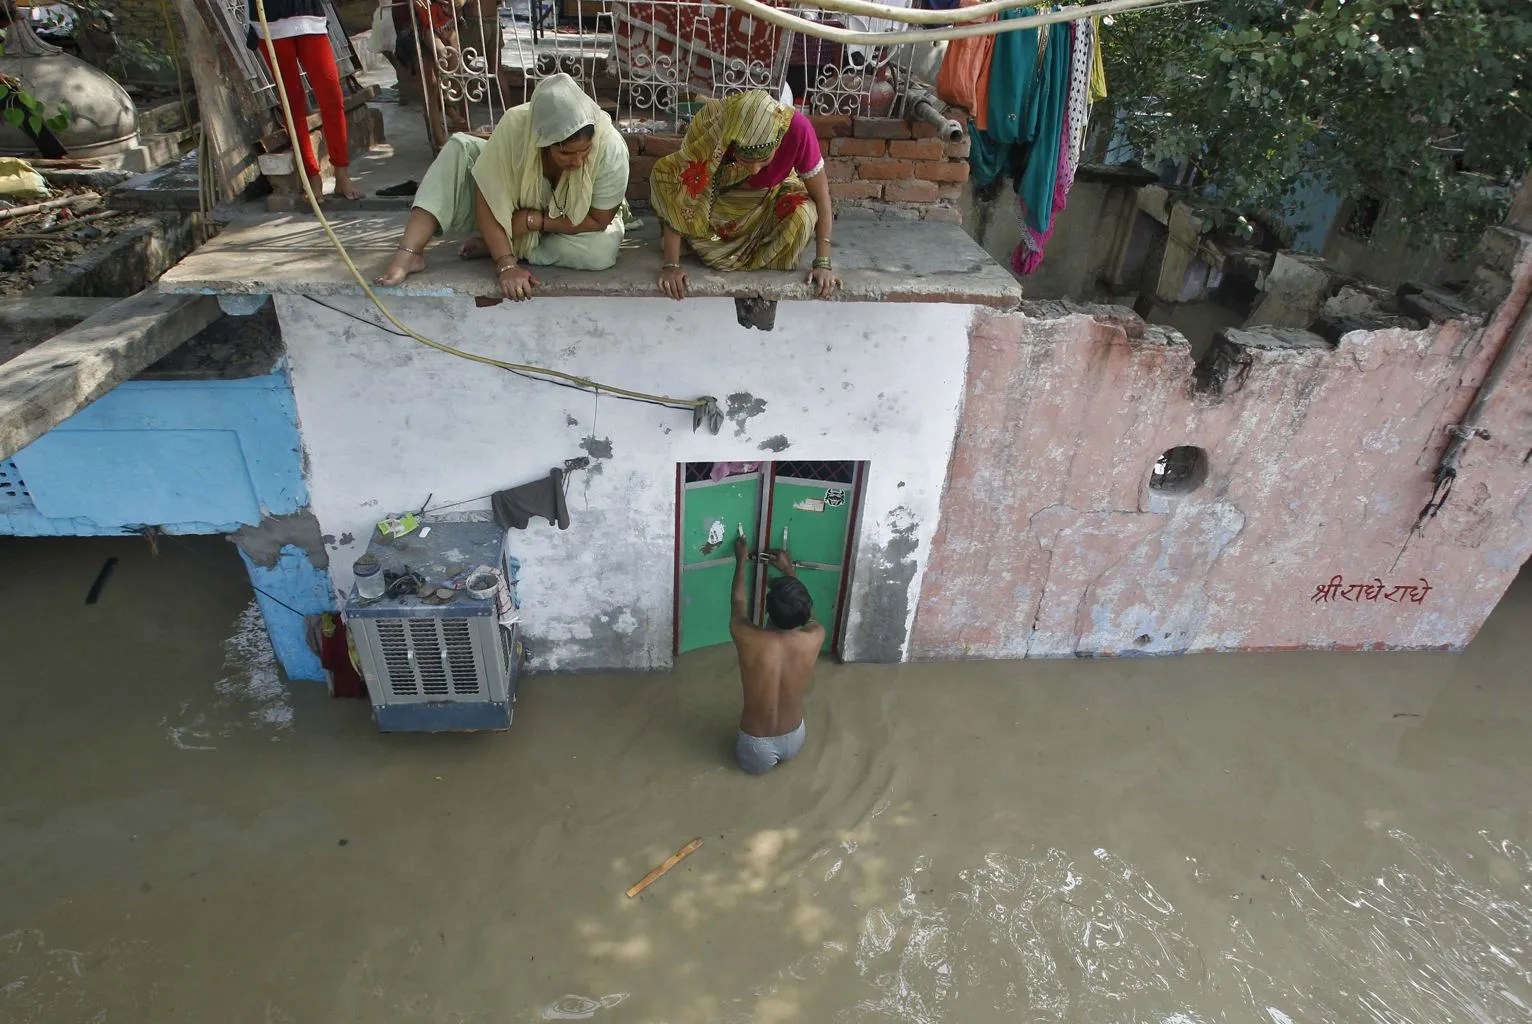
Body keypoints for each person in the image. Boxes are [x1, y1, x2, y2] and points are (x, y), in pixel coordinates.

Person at [374, 74, 629, 300]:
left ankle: (499, 243)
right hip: (508, 212)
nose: (577, 161)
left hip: (571, 224)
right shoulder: (517, 126)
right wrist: (506, 266)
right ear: (541, 141)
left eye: (585, 151)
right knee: (459, 148)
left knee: (601, 252)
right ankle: (410, 252)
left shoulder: (610, 147)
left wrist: (533, 222)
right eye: (566, 153)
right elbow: (487, 193)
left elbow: (598, 219)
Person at [650, 91, 839, 300]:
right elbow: (681, 195)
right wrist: (671, 265)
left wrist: (823, 263)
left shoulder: (798, 130)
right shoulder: (715, 128)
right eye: (745, 161)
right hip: (722, 212)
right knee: (697, 225)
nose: (755, 170)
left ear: (777, 140)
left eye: (764, 160)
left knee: (804, 214)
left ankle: (761, 258)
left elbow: (822, 198)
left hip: (772, 196)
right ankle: (703, 243)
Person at [246, 0, 362, 201]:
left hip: (309, 16)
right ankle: (311, 176)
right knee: (292, 103)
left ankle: (341, 174)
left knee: (332, 95)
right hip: (271, 22)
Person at [728, 537, 823, 775]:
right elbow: (804, 610)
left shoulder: (747, 637)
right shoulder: (815, 636)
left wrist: (741, 561)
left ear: (767, 609)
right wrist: (788, 569)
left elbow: (738, 602)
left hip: (756, 743)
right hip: (795, 735)